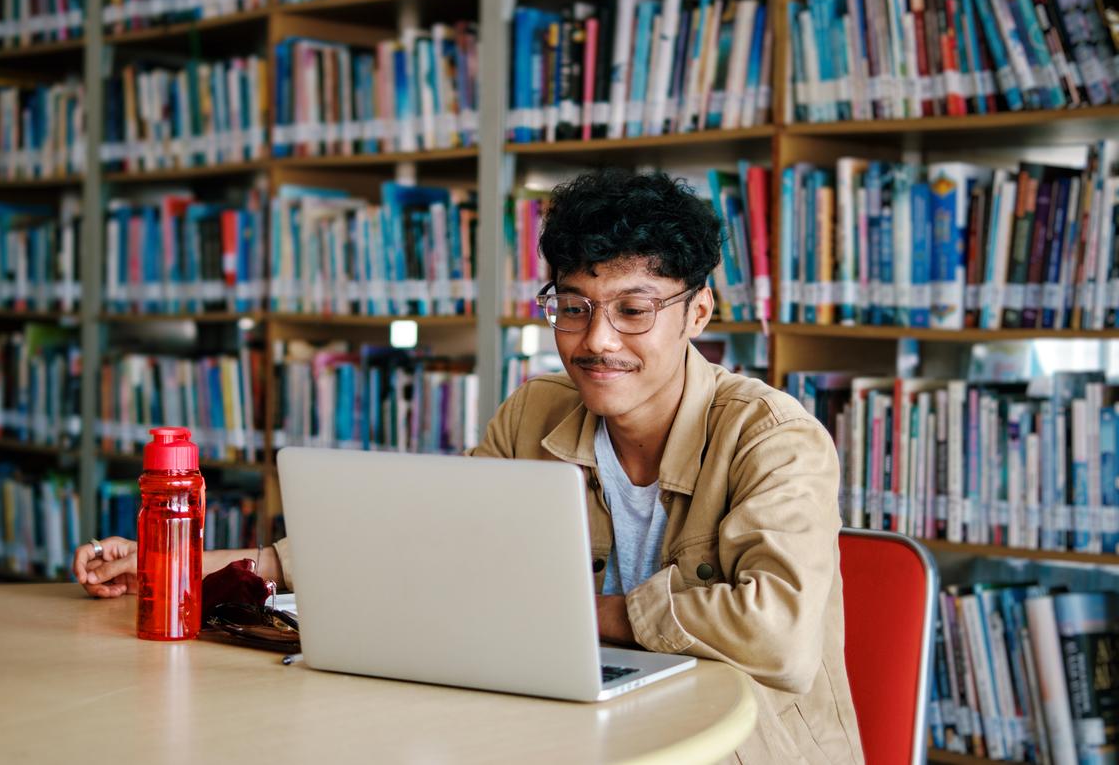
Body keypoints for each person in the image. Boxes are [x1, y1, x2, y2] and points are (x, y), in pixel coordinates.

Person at [74, 168, 863, 763]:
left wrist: (577, 615)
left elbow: (779, 633)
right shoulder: (536, 412)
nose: (597, 340)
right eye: (575, 304)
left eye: (633, 308)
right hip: (578, 731)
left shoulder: (774, 439)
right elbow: (429, 541)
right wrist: (187, 565)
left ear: (697, 311)